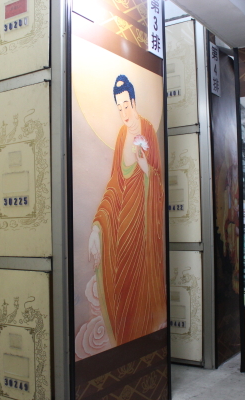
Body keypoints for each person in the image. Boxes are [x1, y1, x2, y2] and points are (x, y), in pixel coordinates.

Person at [88, 75, 166, 346]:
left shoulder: (148, 130)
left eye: (126, 105)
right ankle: (124, 343)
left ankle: (141, 344)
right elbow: (115, 184)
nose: (123, 112)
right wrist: (97, 226)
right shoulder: (122, 136)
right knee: (120, 285)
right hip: (121, 223)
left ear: (134, 101)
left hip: (142, 226)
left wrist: (145, 167)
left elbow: (158, 181)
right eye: (119, 107)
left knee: (139, 289)